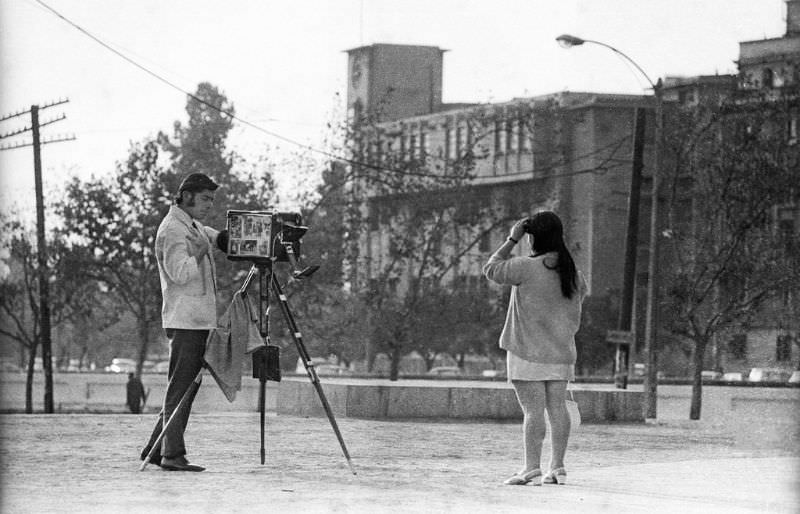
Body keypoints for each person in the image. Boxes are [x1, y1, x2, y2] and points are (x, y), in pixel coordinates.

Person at [483, 211, 587, 486]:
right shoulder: (573, 274)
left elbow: (491, 268)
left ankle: (531, 468)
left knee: (533, 412)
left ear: (533, 238)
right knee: (558, 409)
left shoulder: (525, 268)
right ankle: (558, 467)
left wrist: (511, 238)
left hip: (527, 351)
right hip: (561, 352)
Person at [140, 172, 228, 472]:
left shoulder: (188, 224)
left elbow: (208, 232)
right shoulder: (172, 231)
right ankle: (171, 454)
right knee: (181, 387)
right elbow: (179, 273)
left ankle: (156, 449)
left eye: (212, 200)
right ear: (187, 195)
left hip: (196, 319)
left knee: (185, 385)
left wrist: (225, 239)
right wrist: (202, 253)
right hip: (186, 320)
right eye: (205, 198)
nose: (209, 205)